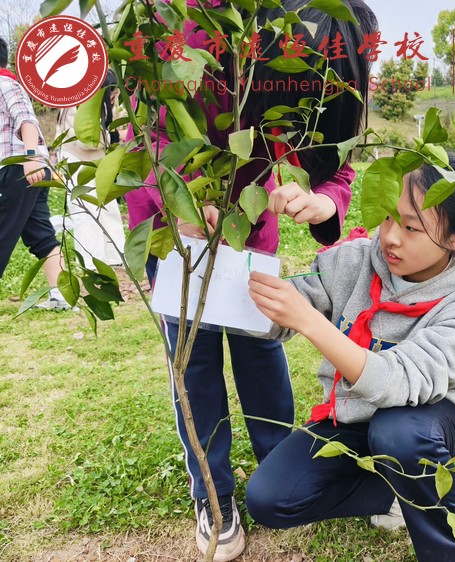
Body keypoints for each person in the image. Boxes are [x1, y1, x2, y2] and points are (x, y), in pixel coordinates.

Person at [123, 1, 377, 560]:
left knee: (262, 350)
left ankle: (278, 468)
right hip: (179, 237)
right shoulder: (190, 30)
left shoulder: (325, 63)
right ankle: (212, 495)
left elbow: (333, 156)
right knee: (195, 365)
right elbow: (144, 133)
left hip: (249, 237)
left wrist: (323, 197)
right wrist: (179, 196)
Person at [246, 154, 455, 562]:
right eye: (388, 216)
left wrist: (311, 324)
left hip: (433, 416)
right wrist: (232, 261)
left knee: (399, 434)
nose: (390, 237)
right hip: (356, 413)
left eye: (411, 227)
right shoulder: (353, 260)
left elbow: (399, 382)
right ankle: (396, 489)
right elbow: (285, 313)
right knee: (270, 499)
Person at [0, 37, 71, 310]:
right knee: (41, 236)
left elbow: (27, 120)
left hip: (19, 169)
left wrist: (30, 157)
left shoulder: (6, 84)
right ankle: (62, 296)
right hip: (28, 171)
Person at [56, 70, 126, 269]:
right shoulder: (78, 104)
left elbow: (116, 122)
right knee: (84, 210)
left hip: (99, 161)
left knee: (108, 206)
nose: (114, 97)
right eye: (112, 93)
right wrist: (115, 136)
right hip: (75, 160)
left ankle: (115, 255)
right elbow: (88, 141)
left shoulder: (109, 102)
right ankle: (91, 260)